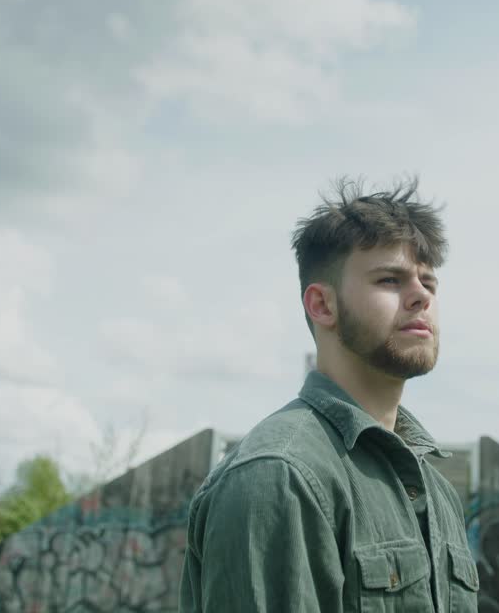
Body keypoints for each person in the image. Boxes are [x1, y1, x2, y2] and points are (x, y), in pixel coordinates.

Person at [179, 178, 480, 612]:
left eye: (429, 283)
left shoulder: (436, 489)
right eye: (390, 280)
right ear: (322, 305)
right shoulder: (281, 476)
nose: (421, 297)